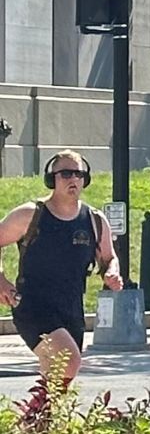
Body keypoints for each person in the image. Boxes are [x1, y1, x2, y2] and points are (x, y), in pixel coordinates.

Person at [0, 151, 122, 391]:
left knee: (57, 379)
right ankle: (36, 419)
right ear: (51, 179)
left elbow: (109, 258)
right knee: (70, 361)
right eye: (65, 173)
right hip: (33, 307)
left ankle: (37, 424)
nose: (73, 179)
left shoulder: (95, 220)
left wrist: (112, 274)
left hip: (71, 310)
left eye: (79, 174)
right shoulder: (30, 214)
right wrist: (1, 280)